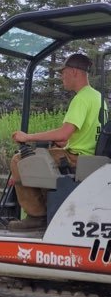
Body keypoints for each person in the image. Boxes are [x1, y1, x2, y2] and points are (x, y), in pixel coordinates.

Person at [8, 53, 104, 231]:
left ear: (74, 71)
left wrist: (27, 137)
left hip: (77, 158)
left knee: (19, 160)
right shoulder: (98, 97)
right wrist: (62, 142)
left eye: (63, 72)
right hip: (92, 158)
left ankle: (37, 216)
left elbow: (63, 134)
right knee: (46, 158)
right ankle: (50, 209)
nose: (61, 77)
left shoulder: (81, 98)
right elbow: (73, 136)